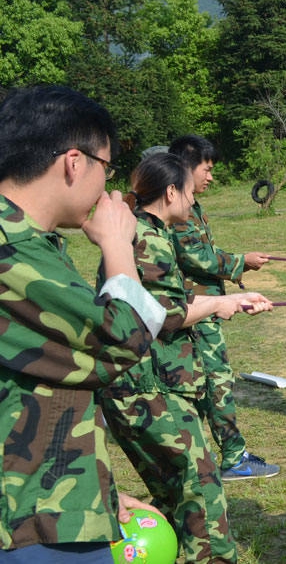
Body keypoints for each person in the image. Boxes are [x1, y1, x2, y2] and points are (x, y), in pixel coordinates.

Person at [0, 85, 167, 563]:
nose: (106, 186)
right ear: (75, 162)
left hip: (50, 499)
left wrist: (97, 492)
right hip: (31, 526)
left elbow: (38, 386)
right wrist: (118, 246)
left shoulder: (31, 243)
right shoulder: (12, 251)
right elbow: (120, 342)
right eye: (107, 168)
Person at [98, 153, 273, 564]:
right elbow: (162, 316)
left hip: (146, 385)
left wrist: (230, 299)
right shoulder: (149, 238)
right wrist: (216, 304)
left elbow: (166, 300)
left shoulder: (145, 233)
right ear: (172, 192)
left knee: (179, 496)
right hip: (150, 387)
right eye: (190, 194)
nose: (194, 204)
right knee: (202, 494)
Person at [168, 135, 279, 481]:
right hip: (195, 310)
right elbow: (194, 257)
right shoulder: (177, 207)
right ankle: (232, 457)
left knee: (207, 382)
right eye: (207, 169)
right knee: (216, 381)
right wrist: (239, 262)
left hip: (202, 304)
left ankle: (204, 454)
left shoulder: (190, 204)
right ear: (187, 167)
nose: (211, 177)